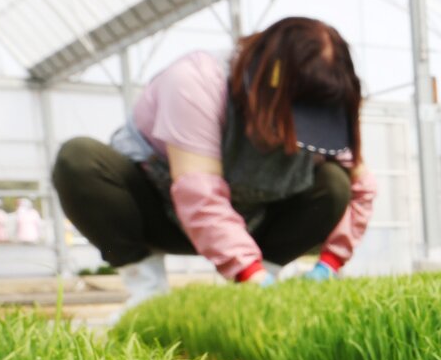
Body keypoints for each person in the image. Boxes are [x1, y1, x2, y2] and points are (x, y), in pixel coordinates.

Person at [52, 17, 377, 306]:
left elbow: (362, 189)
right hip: (164, 214)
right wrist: (248, 272)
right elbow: (200, 196)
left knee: (335, 183)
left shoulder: (328, 107)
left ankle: (261, 285)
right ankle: (147, 292)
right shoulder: (196, 81)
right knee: (79, 159)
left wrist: (331, 263)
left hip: (256, 223)